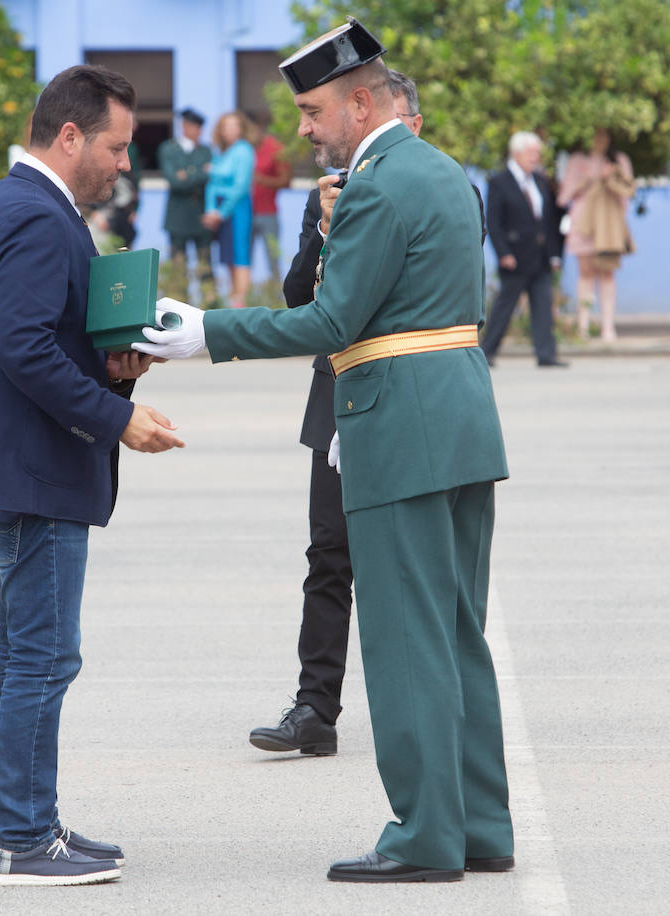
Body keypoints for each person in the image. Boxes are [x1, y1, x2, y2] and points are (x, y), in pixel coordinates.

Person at [137, 18, 514, 883]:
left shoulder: (379, 184)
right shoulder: (445, 172)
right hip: (457, 418)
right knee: (457, 632)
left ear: (359, 101)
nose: (302, 127)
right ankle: (480, 824)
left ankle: (424, 836)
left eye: (311, 110)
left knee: (405, 637)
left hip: (398, 424)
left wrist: (203, 333)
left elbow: (330, 320)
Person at [0, 64, 185, 888]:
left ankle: (30, 824)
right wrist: (119, 417)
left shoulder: (25, 208)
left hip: (13, 469)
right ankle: (21, 840)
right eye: (115, 147)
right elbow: (25, 348)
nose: (123, 164)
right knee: (41, 658)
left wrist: (115, 370)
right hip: (27, 474)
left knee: (29, 656)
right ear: (68, 136)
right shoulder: (38, 217)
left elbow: (39, 343)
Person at [248, 67, 424, 760]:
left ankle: (418, 707)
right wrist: (324, 229)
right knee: (329, 555)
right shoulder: (330, 198)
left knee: (407, 562)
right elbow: (298, 300)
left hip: (402, 400)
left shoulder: (434, 187)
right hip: (337, 400)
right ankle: (314, 707)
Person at [482, 131, 567, 367]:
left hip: (540, 256)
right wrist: (503, 253)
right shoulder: (500, 182)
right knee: (505, 306)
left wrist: (554, 254)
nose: (536, 157)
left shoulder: (540, 181)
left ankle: (546, 354)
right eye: (532, 152)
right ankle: (487, 351)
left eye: (538, 153)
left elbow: (548, 221)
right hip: (515, 256)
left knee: (543, 305)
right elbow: (494, 222)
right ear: (517, 153)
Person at [558, 128, 634, 341]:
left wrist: (611, 178)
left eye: (604, 135)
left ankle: (607, 326)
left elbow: (628, 192)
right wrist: (589, 180)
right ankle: (583, 325)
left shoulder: (619, 160)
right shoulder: (577, 161)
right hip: (584, 224)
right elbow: (564, 197)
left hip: (608, 225)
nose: (600, 140)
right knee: (586, 273)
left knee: (608, 273)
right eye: (595, 135)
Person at [158, 109, 215, 302]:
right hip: (178, 217)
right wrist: (199, 173)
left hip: (200, 216)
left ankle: (209, 303)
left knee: (205, 263)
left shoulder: (205, 151)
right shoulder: (169, 148)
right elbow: (175, 181)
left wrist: (188, 174)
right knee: (177, 266)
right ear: (184, 126)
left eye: (199, 127)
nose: (196, 131)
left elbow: (209, 177)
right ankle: (178, 304)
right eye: (192, 126)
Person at [202, 111, 257, 308]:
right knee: (227, 256)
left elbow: (241, 187)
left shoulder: (244, 150)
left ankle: (240, 300)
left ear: (241, 128)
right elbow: (212, 184)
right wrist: (211, 210)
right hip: (220, 212)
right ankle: (233, 296)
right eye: (226, 126)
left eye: (234, 125)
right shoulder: (223, 152)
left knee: (239, 253)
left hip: (237, 209)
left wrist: (221, 212)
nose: (230, 130)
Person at [251, 114, 293, 284]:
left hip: (268, 213)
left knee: (272, 258)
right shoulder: (244, 148)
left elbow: (286, 181)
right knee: (243, 261)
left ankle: (275, 298)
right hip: (245, 212)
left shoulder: (276, 148)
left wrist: (262, 180)